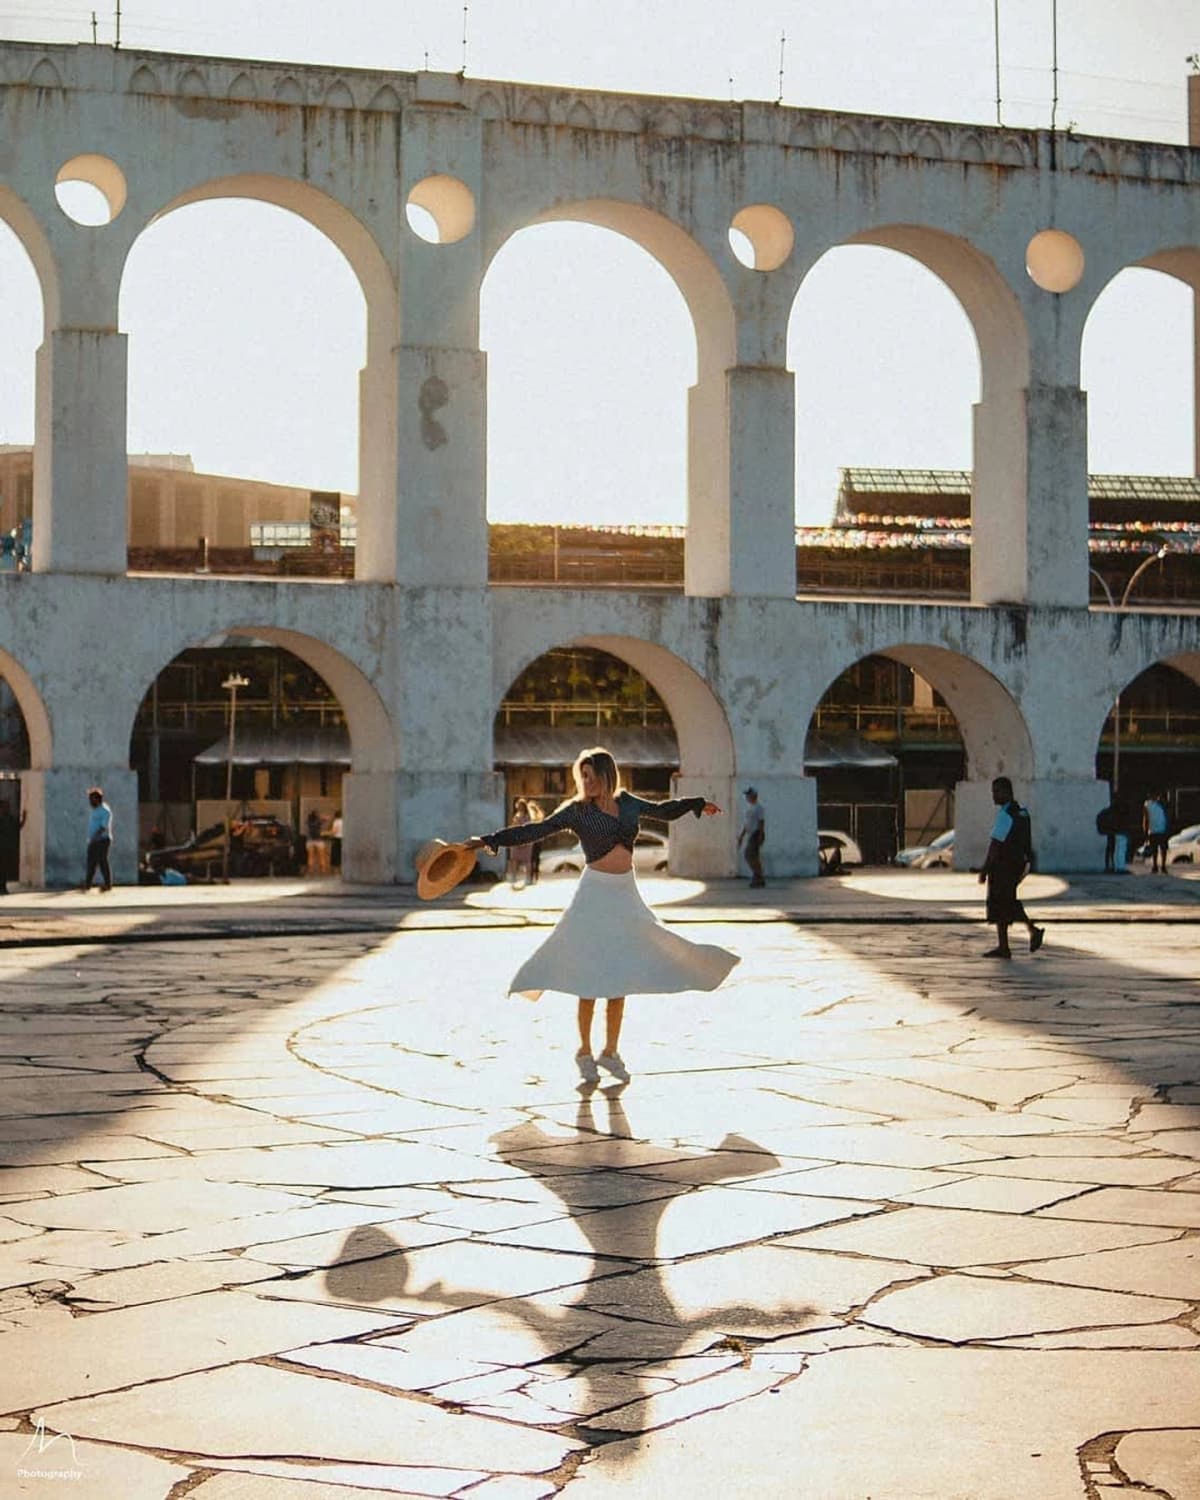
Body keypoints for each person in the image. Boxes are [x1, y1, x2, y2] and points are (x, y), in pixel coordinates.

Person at [464, 747, 739, 1085]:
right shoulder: (578, 811)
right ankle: (583, 1051)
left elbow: (664, 811)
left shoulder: (628, 804)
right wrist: (492, 840)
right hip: (593, 894)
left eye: (591, 775)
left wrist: (696, 803)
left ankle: (610, 1052)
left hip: (625, 893)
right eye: (582, 776)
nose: (586, 781)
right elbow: (536, 830)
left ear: (607, 774)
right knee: (589, 977)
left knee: (619, 978)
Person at [977, 776, 1043, 959]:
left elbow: (995, 844)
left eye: (996, 791)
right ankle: (1025, 933)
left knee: (999, 902)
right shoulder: (1022, 813)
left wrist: (985, 869)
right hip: (1017, 864)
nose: (993, 795)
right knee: (1009, 901)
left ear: (1006, 792)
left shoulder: (1005, 815)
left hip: (1002, 866)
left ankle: (1007, 944)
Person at [81, 786, 113, 892]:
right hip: (93, 840)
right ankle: (87, 885)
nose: (90, 802)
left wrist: (95, 836)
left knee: (102, 861)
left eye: (92, 799)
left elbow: (104, 827)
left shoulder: (105, 811)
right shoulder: (95, 810)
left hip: (102, 840)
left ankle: (108, 885)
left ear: (97, 799)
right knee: (91, 862)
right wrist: (91, 839)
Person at [737, 787, 765, 888]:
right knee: (750, 856)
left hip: (756, 833)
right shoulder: (749, 808)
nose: (747, 797)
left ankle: (758, 876)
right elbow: (746, 824)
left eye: (749, 795)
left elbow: (761, 822)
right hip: (750, 833)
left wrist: (761, 835)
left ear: (754, 796)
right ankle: (757, 875)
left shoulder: (759, 807)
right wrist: (741, 836)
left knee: (750, 855)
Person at [506, 797, 533, 888]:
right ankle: (518, 877)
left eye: (519, 806)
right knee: (518, 860)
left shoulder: (523, 816)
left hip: (522, 839)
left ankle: (524, 878)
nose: (518, 807)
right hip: (521, 839)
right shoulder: (522, 816)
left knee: (522, 860)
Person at [1143, 790, 1170, 873]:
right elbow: (1146, 819)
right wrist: (1146, 830)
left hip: (1159, 830)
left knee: (1161, 849)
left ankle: (1161, 866)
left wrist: (1145, 831)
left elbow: (1145, 819)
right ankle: (1158, 866)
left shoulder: (1158, 804)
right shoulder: (1148, 804)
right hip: (1155, 830)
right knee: (1157, 849)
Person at [0, 797, 23, 895]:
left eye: (7, 807)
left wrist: (24, 819)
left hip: (7, 848)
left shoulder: (9, 818)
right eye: (4, 807)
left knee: (5, 869)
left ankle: (3, 887)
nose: (7, 808)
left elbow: (16, 828)